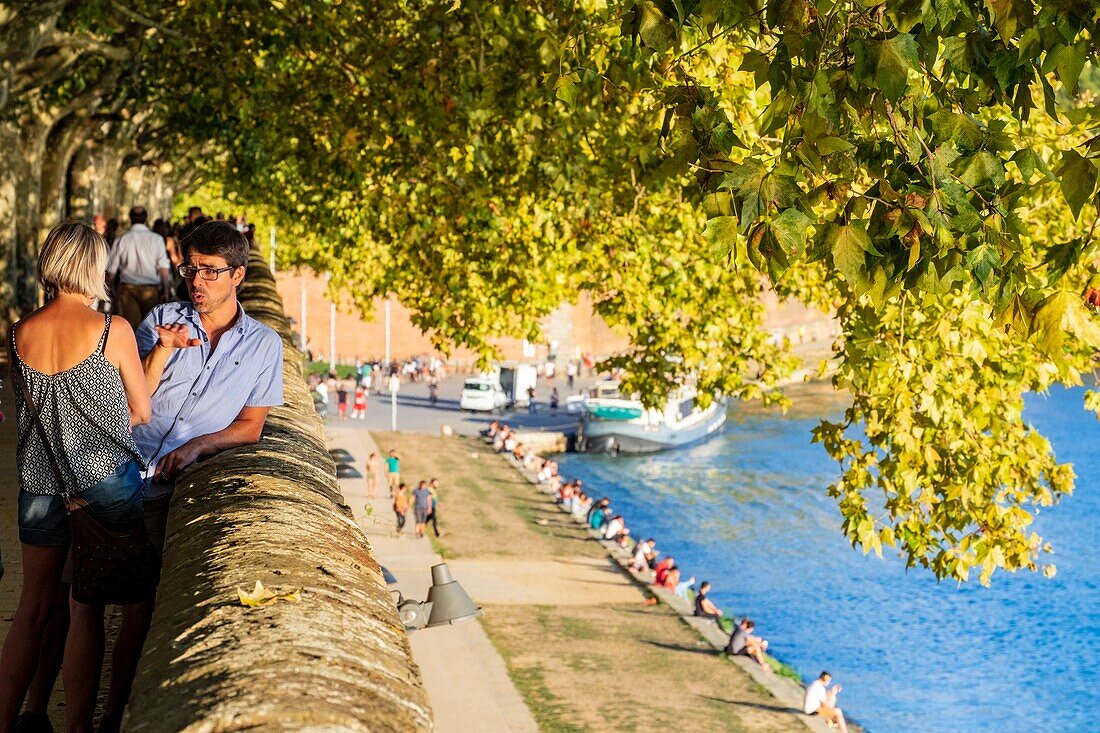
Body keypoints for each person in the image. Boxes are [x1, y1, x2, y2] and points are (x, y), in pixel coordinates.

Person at [99, 220, 284, 729]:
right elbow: (118, 397)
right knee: (82, 605)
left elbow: (251, 427)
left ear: (239, 275)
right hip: (114, 472)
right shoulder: (161, 318)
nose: (195, 281)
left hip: (164, 494)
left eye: (209, 271)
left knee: (140, 611)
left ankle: (115, 714)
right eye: (190, 269)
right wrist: (160, 348)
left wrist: (202, 443)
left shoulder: (264, 346)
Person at [0, 222, 152, 733]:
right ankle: (82, 727)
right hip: (103, 483)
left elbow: (35, 411)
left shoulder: (19, 332)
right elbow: (141, 411)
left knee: (32, 609)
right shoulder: (113, 330)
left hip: (41, 486)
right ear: (94, 268)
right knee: (89, 606)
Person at [106, 206, 172, 329]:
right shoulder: (156, 239)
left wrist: (109, 291)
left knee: (130, 329)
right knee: (151, 328)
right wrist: (166, 289)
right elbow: (163, 268)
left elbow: (111, 271)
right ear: (146, 218)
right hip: (150, 291)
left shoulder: (122, 239)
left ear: (131, 218)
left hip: (127, 290)